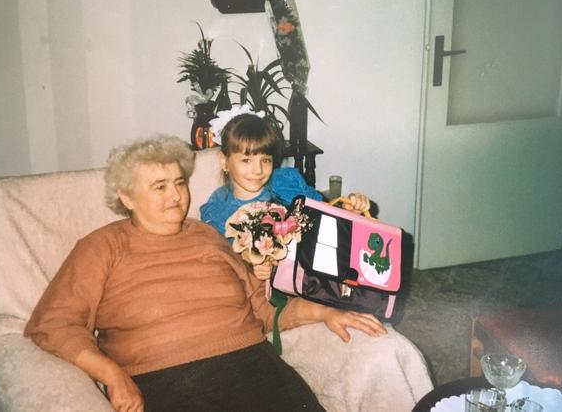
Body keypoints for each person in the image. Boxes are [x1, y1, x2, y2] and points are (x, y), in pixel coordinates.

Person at [24, 135, 387, 412]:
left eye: (180, 183)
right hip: (165, 377)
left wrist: (324, 312)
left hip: (251, 362)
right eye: (160, 187)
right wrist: (112, 375)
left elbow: (262, 310)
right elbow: (53, 324)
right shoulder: (102, 246)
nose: (176, 196)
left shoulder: (208, 235)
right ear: (127, 197)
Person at [200, 111, 371, 279]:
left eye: (265, 160)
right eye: (246, 160)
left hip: (312, 275)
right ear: (224, 161)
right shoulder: (218, 207)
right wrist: (251, 266)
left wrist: (349, 210)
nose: (258, 170)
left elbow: (325, 212)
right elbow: (223, 260)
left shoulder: (285, 183)